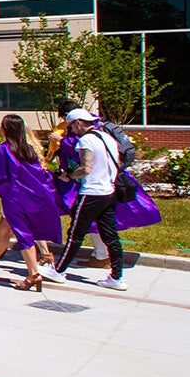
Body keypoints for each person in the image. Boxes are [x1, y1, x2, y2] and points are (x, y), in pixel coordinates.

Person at [0, 114, 66, 291]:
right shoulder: (27, 149)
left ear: (5, 129)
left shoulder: (3, 149)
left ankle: (33, 274)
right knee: (4, 231)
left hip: (13, 198)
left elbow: (3, 176)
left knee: (23, 234)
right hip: (30, 196)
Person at [55, 108, 129, 290]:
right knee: (110, 236)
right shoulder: (107, 138)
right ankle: (117, 277)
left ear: (78, 123)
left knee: (75, 234)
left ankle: (58, 270)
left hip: (92, 192)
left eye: (71, 127)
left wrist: (69, 176)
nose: (71, 131)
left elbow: (85, 169)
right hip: (108, 191)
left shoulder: (86, 139)